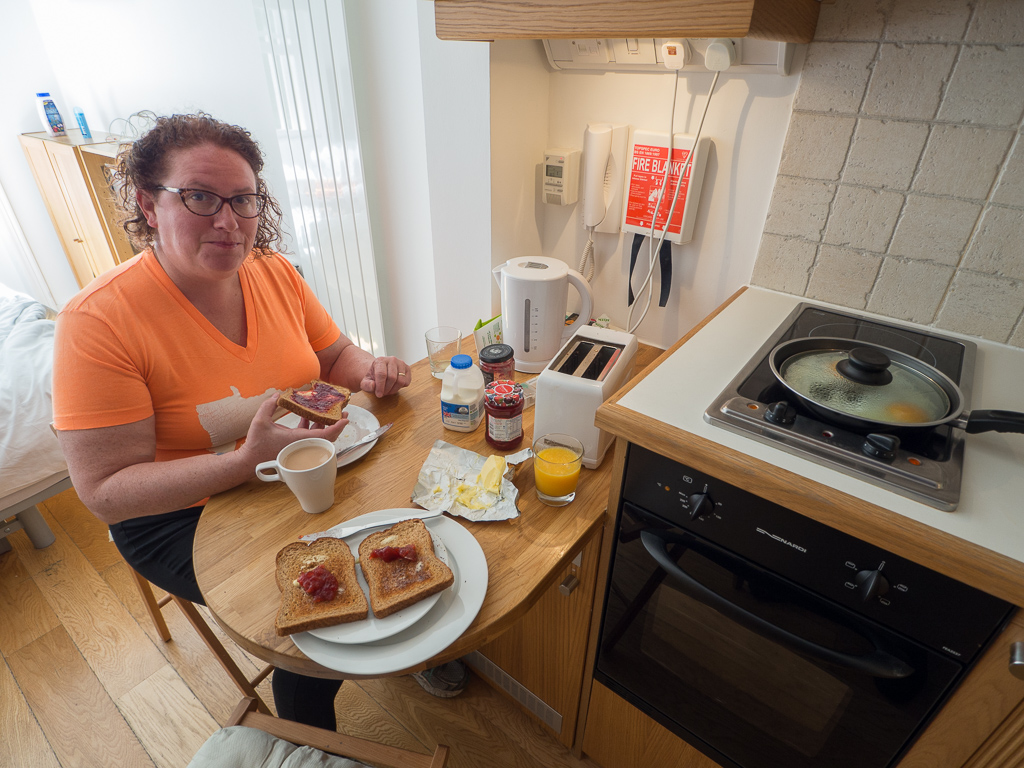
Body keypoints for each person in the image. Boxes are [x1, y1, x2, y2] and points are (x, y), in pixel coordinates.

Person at [51, 112, 466, 729]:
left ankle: (401, 628)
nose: (227, 220)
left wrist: (371, 370)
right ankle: (309, 740)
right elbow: (106, 493)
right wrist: (245, 461)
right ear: (146, 202)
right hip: (177, 516)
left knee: (412, 513)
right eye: (199, 196)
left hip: (296, 467)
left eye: (242, 199)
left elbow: (332, 357)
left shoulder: (273, 270)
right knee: (305, 602)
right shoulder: (97, 323)